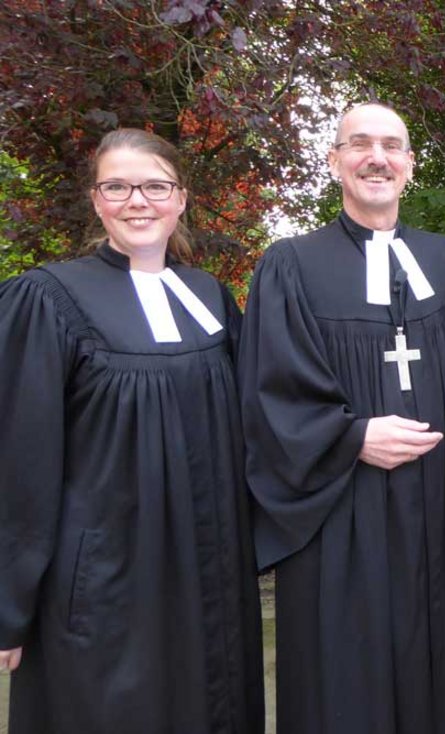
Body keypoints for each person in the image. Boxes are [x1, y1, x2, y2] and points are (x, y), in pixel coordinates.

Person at [238, 103, 445, 734]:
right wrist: (352, 436)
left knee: (436, 655)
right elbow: (270, 386)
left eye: (391, 146)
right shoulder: (291, 263)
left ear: (409, 164)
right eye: (359, 144)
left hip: (434, 503)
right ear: (334, 162)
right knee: (345, 670)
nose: (377, 158)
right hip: (341, 506)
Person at [0, 129, 264, 733]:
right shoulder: (48, 297)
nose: (137, 201)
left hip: (211, 579)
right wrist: (9, 602)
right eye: (117, 187)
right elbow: (18, 458)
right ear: (96, 201)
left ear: (180, 199)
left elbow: (260, 421)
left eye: (154, 186)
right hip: (108, 584)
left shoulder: (209, 297)